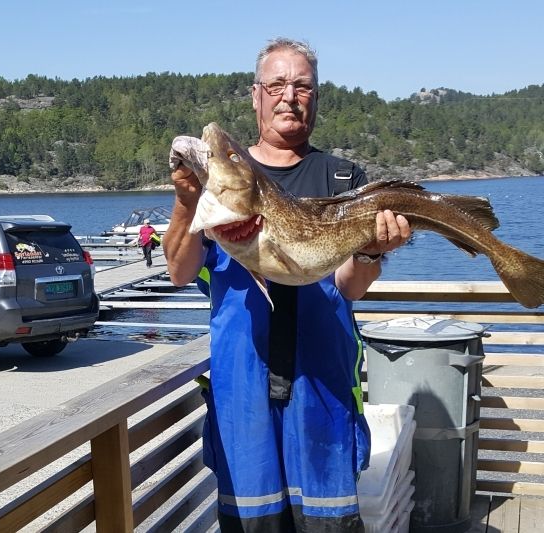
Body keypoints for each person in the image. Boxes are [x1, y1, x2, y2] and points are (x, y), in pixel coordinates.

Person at [163, 38, 411, 532]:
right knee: (253, 522)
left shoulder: (342, 177)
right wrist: (187, 204)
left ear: (316, 98)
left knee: (327, 522)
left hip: (323, 385)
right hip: (242, 389)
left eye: (302, 86)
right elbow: (179, 272)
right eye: (276, 84)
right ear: (256, 96)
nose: (289, 96)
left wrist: (370, 250)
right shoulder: (224, 179)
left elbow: (351, 286)